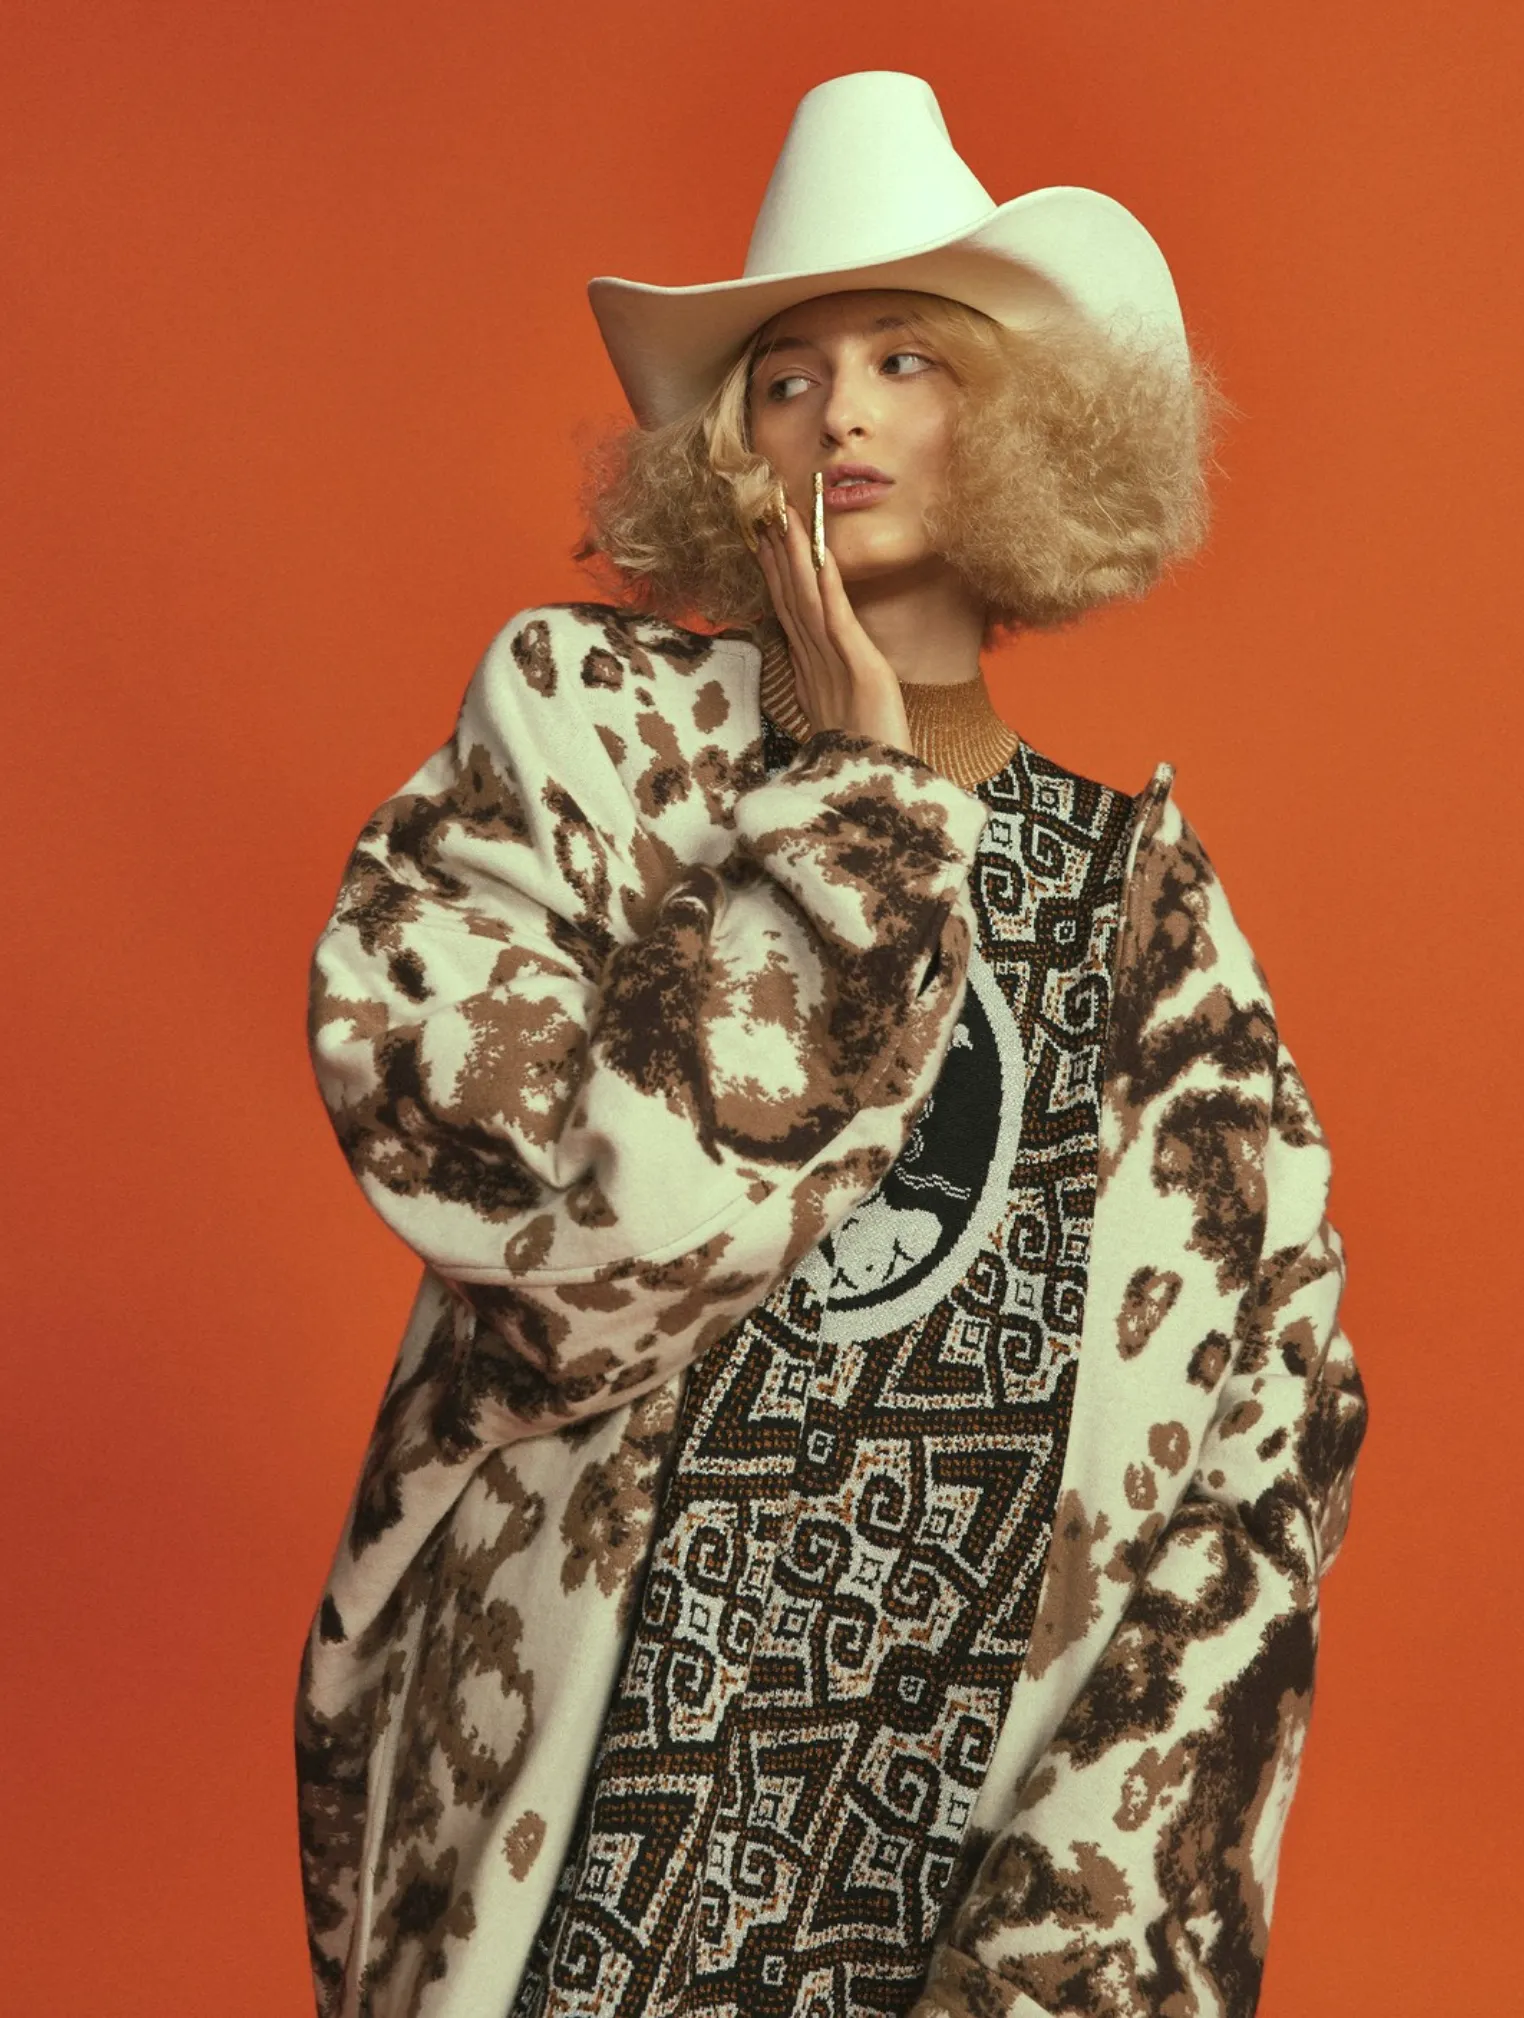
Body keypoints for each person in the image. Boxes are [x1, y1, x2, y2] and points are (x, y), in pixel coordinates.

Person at [295, 70, 1368, 2018]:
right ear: (728, 446)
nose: (840, 411)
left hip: (948, 1828)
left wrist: (1063, 1942)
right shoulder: (581, 750)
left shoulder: (1145, 918)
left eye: (906, 361)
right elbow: (574, 1250)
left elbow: (1256, 1448)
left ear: (1039, 432)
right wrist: (849, 812)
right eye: (785, 377)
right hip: (589, 1807)